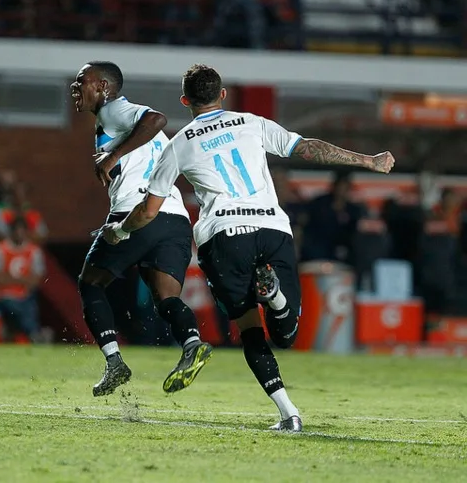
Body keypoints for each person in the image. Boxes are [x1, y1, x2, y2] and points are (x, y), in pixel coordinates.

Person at [102, 64, 395, 431]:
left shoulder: (179, 144)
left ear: (185, 101)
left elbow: (148, 210)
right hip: (272, 227)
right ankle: (276, 300)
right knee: (286, 335)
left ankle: (289, 413)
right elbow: (306, 148)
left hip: (223, 238)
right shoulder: (252, 123)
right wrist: (366, 160)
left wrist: (119, 232)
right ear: (223, 94)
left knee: (249, 328)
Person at [70, 60, 213, 397]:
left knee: (91, 284)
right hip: (175, 218)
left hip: (136, 213)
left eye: (83, 81)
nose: (76, 87)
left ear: (104, 86)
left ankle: (114, 361)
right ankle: (192, 344)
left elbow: (157, 119)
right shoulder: (124, 122)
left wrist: (111, 156)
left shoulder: (113, 110)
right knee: (167, 299)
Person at [0, 217, 46, 342]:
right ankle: (34, 333)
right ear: (11, 231)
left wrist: (10, 279)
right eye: (16, 230)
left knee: (28, 305)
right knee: (15, 306)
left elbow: (36, 280)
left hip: (25, 296)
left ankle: (31, 334)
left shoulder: (34, 252)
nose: (19, 234)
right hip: (3, 296)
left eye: (22, 230)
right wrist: (23, 281)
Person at [302, 172, 365, 263]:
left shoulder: (353, 209)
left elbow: (354, 230)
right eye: (340, 187)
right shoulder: (319, 203)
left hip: (342, 245)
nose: (341, 191)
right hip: (319, 242)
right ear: (334, 187)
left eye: (345, 188)